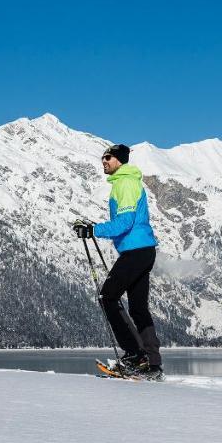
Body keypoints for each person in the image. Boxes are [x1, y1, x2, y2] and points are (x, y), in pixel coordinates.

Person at [73, 144, 163, 376]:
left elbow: (125, 222)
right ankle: (153, 365)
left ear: (119, 160)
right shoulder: (126, 182)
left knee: (107, 297)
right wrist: (94, 228)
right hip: (142, 250)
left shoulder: (125, 183)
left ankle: (135, 354)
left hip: (136, 251)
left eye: (108, 157)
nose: (104, 161)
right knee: (139, 309)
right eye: (102, 157)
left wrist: (93, 230)